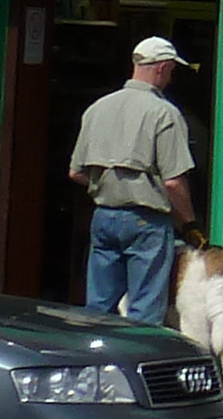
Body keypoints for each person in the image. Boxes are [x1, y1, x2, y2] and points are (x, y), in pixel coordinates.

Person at [70, 34, 197, 323]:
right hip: (147, 221)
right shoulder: (164, 113)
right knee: (144, 313)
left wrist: (106, 187)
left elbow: (75, 172)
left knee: (98, 309)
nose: (171, 77)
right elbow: (173, 182)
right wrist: (190, 224)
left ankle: (93, 366)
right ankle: (136, 366)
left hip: (104, 216)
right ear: (162, 68)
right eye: (172, 71)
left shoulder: (97, 108)